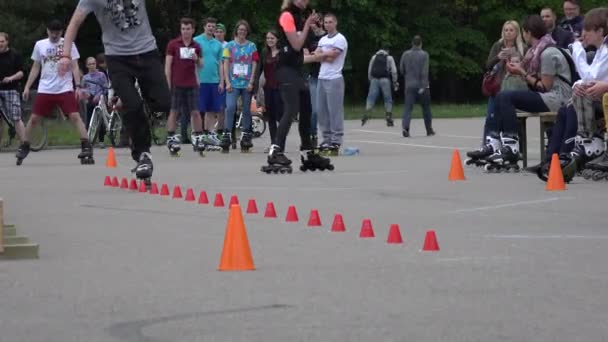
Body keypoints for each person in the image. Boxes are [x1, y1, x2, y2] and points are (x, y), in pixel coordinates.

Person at [60, 0, 171, 185]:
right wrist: (65, 55)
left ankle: (135, 101)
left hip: (147, 52)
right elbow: (75, 23)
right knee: (132, 106)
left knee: (164, 103)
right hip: (117, 58)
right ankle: (143, 154)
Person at [466, 15, 573, 172]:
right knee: (500, 95)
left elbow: (544, 86)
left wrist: (521, 72)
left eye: (524, 32)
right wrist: (517, 68)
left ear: (528, 33)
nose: (524, 35)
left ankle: (511, 147)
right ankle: (493, 143)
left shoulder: (547, 53)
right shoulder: (537, 51)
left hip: (557, 98)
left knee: (506, 96)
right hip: (548, 96)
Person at [262, 0, 337, 173]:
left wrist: (316, 33)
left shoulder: (302, 18)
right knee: (291, 109)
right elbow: (296, 44)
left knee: (307, 108)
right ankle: (275, 150)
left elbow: (305, 50)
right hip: (284, 69)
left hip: (296, 69)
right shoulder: (286, 16)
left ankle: (308, 152)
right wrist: (307, 26)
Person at [543, 7, 608, 179]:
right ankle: (553, 158)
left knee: (576, 101)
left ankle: (587, 143)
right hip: (601, 97)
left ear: (600, 31)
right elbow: (589, 78)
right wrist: (578, 84)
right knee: (567, 107)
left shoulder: (606, 49)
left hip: (603, 98)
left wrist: (577, 49)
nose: (583, 35)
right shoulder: (602, 50)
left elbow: (591, 76)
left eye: (587, 30)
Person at [17, 19, 93, 165]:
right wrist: (27, 86)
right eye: (52, 32)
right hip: (45, 88)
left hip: (64, 87)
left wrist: (77, 86)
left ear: (62, 32)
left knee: (75, 116)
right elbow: (36, 67)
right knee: (34, 119)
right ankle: (24, 145)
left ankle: (86, 146)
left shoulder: (68, 43)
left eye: (57, 33)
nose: (54, 35)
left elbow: (75, 66)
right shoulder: (40, 45)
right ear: (47, 31)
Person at [165, 17, 204, 156]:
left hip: (192, 83)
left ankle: (198, 136)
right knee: (174, 110)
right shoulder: (173, 44)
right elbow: (168, 65)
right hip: (177, 83)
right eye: (183, 29)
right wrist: (168, 84)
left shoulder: (196, 46)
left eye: (188, 29)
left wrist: (197, 59)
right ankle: (171, 136)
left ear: (193, 30)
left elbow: (201, 64)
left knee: (195, 111)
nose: (185, 31)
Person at [482, 20, 526, 142]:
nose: (508, 33)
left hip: (516, 88)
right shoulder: (498, 45)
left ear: (517, 32)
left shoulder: (523, 47)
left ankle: (517, 147)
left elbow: (527, 68)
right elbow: (487, 65)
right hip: (498, 87)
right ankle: (488, 145)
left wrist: (518, 60)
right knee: (491, 117)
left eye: (511, 30)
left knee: (515, 120)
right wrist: (498, 57)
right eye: (506, 30)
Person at [221, 20, 258, 153]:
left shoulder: (252, 46)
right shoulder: (229, 46)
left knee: (246, 109)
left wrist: (252, 81)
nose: (242, 32)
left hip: (246, 82)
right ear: (236, 30)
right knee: (230, 107)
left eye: (244, 30)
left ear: (247, 31)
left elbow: (254, 63)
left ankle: (246, 134)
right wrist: (227, 82)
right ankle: (227, 134)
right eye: (240, 29)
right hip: (233, 82)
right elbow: (225, 63)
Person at [316, 13, 348, 155]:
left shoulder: (340, 39)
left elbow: (332, 58)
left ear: (335, 23)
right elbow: (317, 57)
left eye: (330, 22)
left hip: (334, 78)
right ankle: (326, 139)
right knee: (321, 111)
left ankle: (336, 140)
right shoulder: (322, 39)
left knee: (334, 111)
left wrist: (322, 54)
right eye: (325, 22)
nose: (327, 24)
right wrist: (323, 54)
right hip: (322, 77)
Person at [194, 17, 224, 150]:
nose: (211, 28)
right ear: (204, 27)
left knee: (212, 109)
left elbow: (220, 64)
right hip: (200, 80)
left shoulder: (218, 44)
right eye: (209, 26)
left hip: (214, 80)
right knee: (197, 110)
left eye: (213, 26)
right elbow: (192, 62)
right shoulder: (196, 41)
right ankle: (197, 135)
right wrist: (195, 78)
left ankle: (211, 134)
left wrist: (221, 81)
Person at [399, 35, 435, 137]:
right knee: (426, 108)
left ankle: (406, 128)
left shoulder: (405, 54)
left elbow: (401, 69)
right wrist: (423, 86)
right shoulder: (425, 55)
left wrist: (408, 75)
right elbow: (425, 71)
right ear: (421, 43)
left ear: (412, 43)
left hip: (409, 84)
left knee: (408, 108)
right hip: (422, 85)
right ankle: (429, 129)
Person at [254, 30, 283, 149]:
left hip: (281, 88)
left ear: (277, 39)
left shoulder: (282, 53)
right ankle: (273, 143)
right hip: (268, 88)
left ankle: (281, 142)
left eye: (272, 38)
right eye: (268, 38)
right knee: (270, 117)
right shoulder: (265, 52)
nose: (270, 40)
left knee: (281, 117)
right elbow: (259, 69)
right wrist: (256, 87)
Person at [361, 47, 399, 127]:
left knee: (371, 98)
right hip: (385, 79)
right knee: (387, 99)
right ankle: (388, 117)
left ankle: (366, 113)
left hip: (374, 79)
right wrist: (395, 81)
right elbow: (394, 71)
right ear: (387, 50)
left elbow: (370, 69)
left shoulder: (374, 57)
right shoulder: (389, 58)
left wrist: (370, 79)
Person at [0, 32, 26, 143]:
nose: (0, 44)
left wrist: (11, 78)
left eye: (2, 41)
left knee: (16, 117)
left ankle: (24, 143)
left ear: (7, 42)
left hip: (11, 89)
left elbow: (21, 72)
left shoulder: (15, 54)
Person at [305, 17, 325, 147]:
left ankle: (331, 137)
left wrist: (315, 56)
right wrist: (319, 56)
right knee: (315, 109)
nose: (312, 26)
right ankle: (313, 133)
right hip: (314, 77)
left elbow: (331, 56)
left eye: (314, 23)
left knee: (327, 110)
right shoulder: (308, 39)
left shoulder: (327, 37)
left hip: (328, 77)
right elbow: (305, 57)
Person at [81, 56, 109, 147]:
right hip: (90, 98)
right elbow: (82, 88)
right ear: (87, 66)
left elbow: (105, 88)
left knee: (100, 119)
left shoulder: (101, 75)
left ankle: (101, 140)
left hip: (100, 97)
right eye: (90, 64)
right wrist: (86, 94)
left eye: (93, 63)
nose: (92, 66)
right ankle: (88, 139)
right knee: (89, 119)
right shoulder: (85, 77)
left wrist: (99, 95)